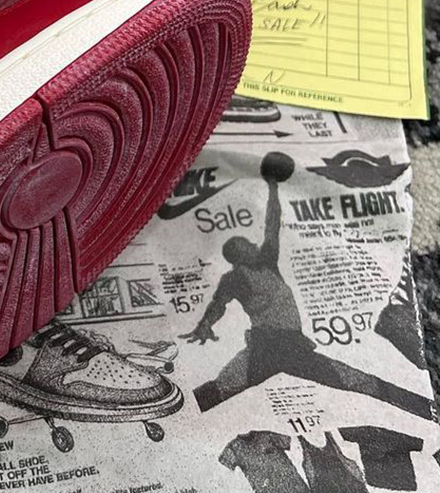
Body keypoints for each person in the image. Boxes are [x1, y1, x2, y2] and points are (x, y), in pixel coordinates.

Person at [183, 153, 432, 420]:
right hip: (266, 347)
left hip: (293, 346)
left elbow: (272, 225)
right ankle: (176, 413)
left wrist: (273, 187)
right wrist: (205, 324)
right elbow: (218, 303)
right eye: (246, 244)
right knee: (220, 389)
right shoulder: (235, 278)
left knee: (357, 380)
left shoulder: (267, 261)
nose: (254, 244)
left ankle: (422, 408)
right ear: (237, 254)